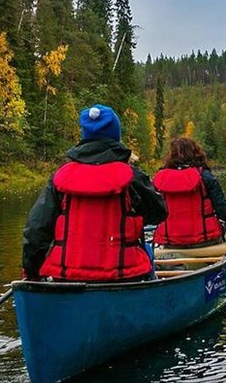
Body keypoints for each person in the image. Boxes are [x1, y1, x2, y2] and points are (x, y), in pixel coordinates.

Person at [22, 104, 167, 282]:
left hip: (68, 280)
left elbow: (35, 232)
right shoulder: (133, 178)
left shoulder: (59, 179)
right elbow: (159, 214)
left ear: (84, 136)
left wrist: (33, 275)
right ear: (116, 136)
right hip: (125, 279)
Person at [152, 137, 226, 248]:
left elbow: (152, 214)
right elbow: (223, 211)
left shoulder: (160, 180)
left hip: (170, 243)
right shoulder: (206, 177)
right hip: (206, 241)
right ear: (196, 153)